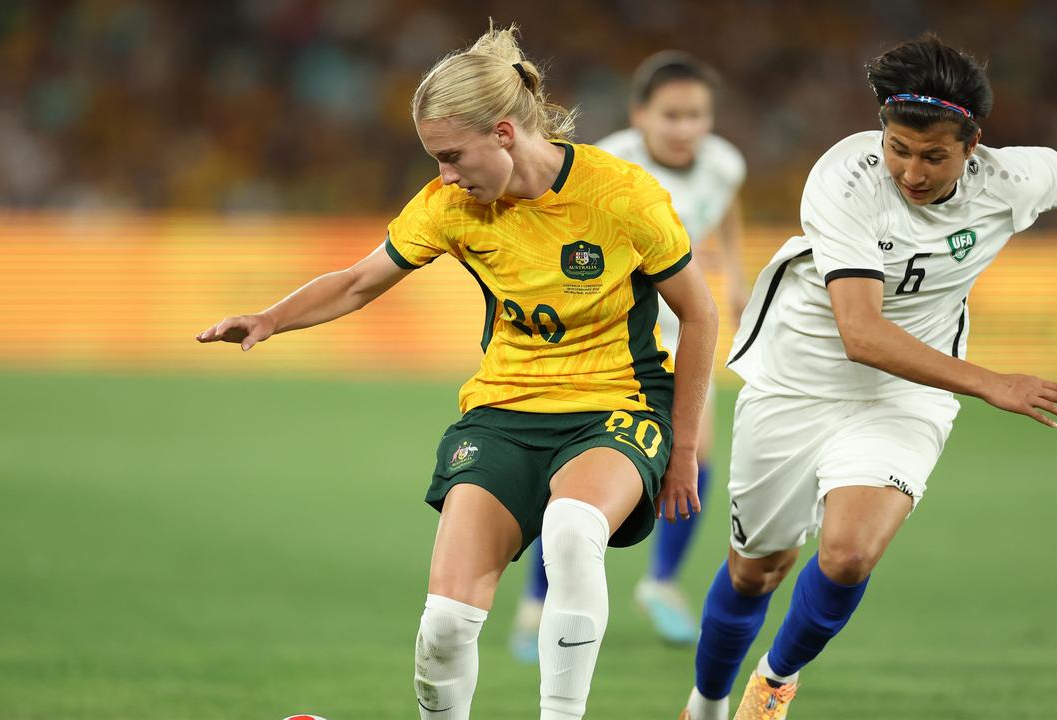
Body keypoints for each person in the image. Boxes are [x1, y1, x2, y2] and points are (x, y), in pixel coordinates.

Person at [196, 24, 718, 720]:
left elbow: (701, 314)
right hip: (502, 415)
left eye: (451, 156)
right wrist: (270, 318)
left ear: (504, 132)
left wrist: (683, 450)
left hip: (613, 408)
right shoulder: (453, 206)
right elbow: (357, 282)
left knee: (570, 533)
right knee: (444, 624)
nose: (444, 176)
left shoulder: (621, 196)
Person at [678, 34, 1057, 720]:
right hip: (799, 381)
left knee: (847, 555)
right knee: (756, 571)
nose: (912, 170)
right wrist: (991, 382)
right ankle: (705, 705)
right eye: (898, 147)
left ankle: (773, 686)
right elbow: (861, 333)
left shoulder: (1011, 179)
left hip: (906, 392)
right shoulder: (844, 180)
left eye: (933, 155)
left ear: (973, 144)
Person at [510, 50, 747, 658]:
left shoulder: (724, 163)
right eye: (671, 114)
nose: (684, 127)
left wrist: (738, 275)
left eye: (696, 114)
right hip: (610, 330)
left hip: (682, 325)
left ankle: (662, 583)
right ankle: (537, 603)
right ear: (641, 114)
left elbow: (728, 210)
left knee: (697, 455)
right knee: (573, 465)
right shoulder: (608, 162)